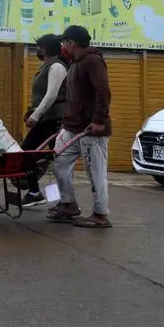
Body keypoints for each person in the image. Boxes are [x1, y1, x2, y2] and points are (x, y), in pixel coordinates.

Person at [47, 25, 113, 228]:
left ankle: (100, 215)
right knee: (59, 161)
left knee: (95, 172)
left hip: (91, 128)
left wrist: (99, 120)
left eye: (63, 42)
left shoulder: (93, 61)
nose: (61, 47)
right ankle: (68, 203)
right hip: (73, 127)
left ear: (71, 43)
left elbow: (103, 91)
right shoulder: (75, 63)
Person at [20, 34, 68, 207]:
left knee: (59, 161)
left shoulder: (57, 67)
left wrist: (35, 116)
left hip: (54, 121)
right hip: (45, 120)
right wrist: (32, 111)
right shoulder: (47, 66)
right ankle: (35, 192)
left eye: (40, 47)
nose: (38, 51)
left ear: (47, 49)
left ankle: (66, 201)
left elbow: (51, 95)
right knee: (28, 154)